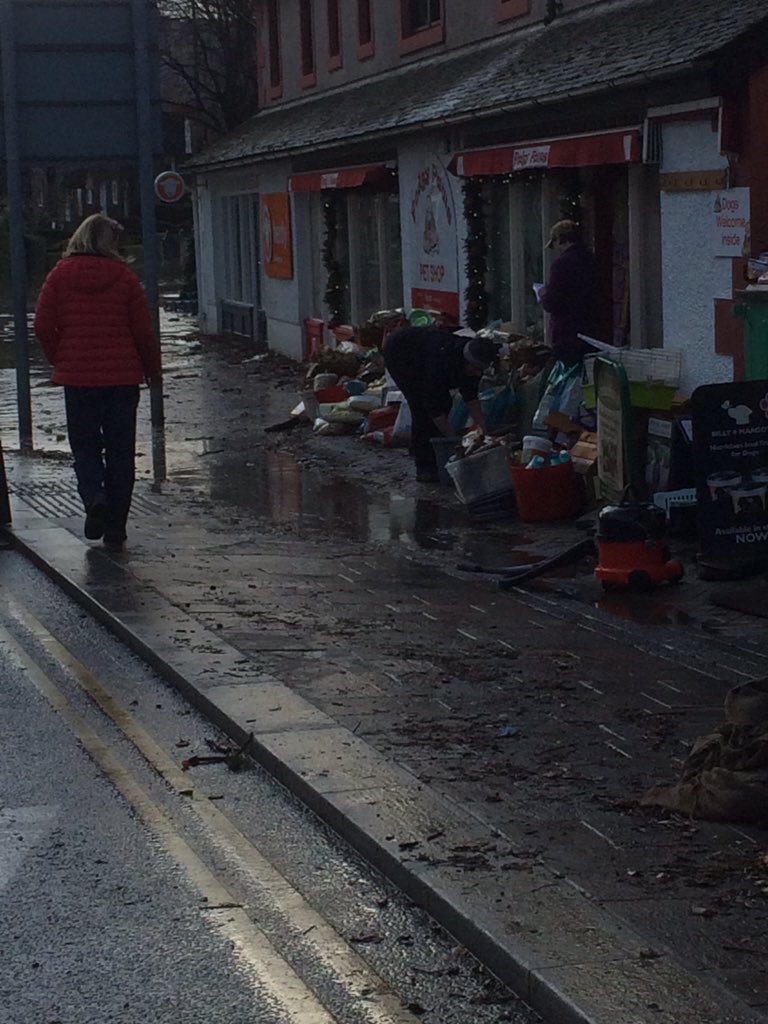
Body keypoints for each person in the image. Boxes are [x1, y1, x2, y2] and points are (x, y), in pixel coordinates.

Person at [34, 214, 161, 551]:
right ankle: (116, 527)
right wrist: (152, 370)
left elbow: (43, 325)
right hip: (122, 380)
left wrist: (59, 359)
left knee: (86, 447)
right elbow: (144, 333)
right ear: (109, 242)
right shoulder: (125, 278)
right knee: (121, 452)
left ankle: (94, 498)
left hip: (78, 380)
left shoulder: (59, 276)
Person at [383, 325, 501, 482]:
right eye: (475, 369)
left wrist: (484, 431)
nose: (477, 373)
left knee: (445, 403)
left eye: (480, 370)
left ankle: (436, 451)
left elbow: (471, 398)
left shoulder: (476, 359)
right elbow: (433, 408)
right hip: (401, 353)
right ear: (465, 362)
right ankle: (425, 465)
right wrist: (454, 440)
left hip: (424, 350)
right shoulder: (440, 364)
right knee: (421, 408)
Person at [538, 219, 598, 366]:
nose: (557, 249)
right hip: (591, 329)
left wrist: (543, 295)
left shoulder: (561, 264)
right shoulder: (591, 260)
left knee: (568, 375)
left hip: (566, 333)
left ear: (560, 240)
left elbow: (553, 302)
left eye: (556, 243)